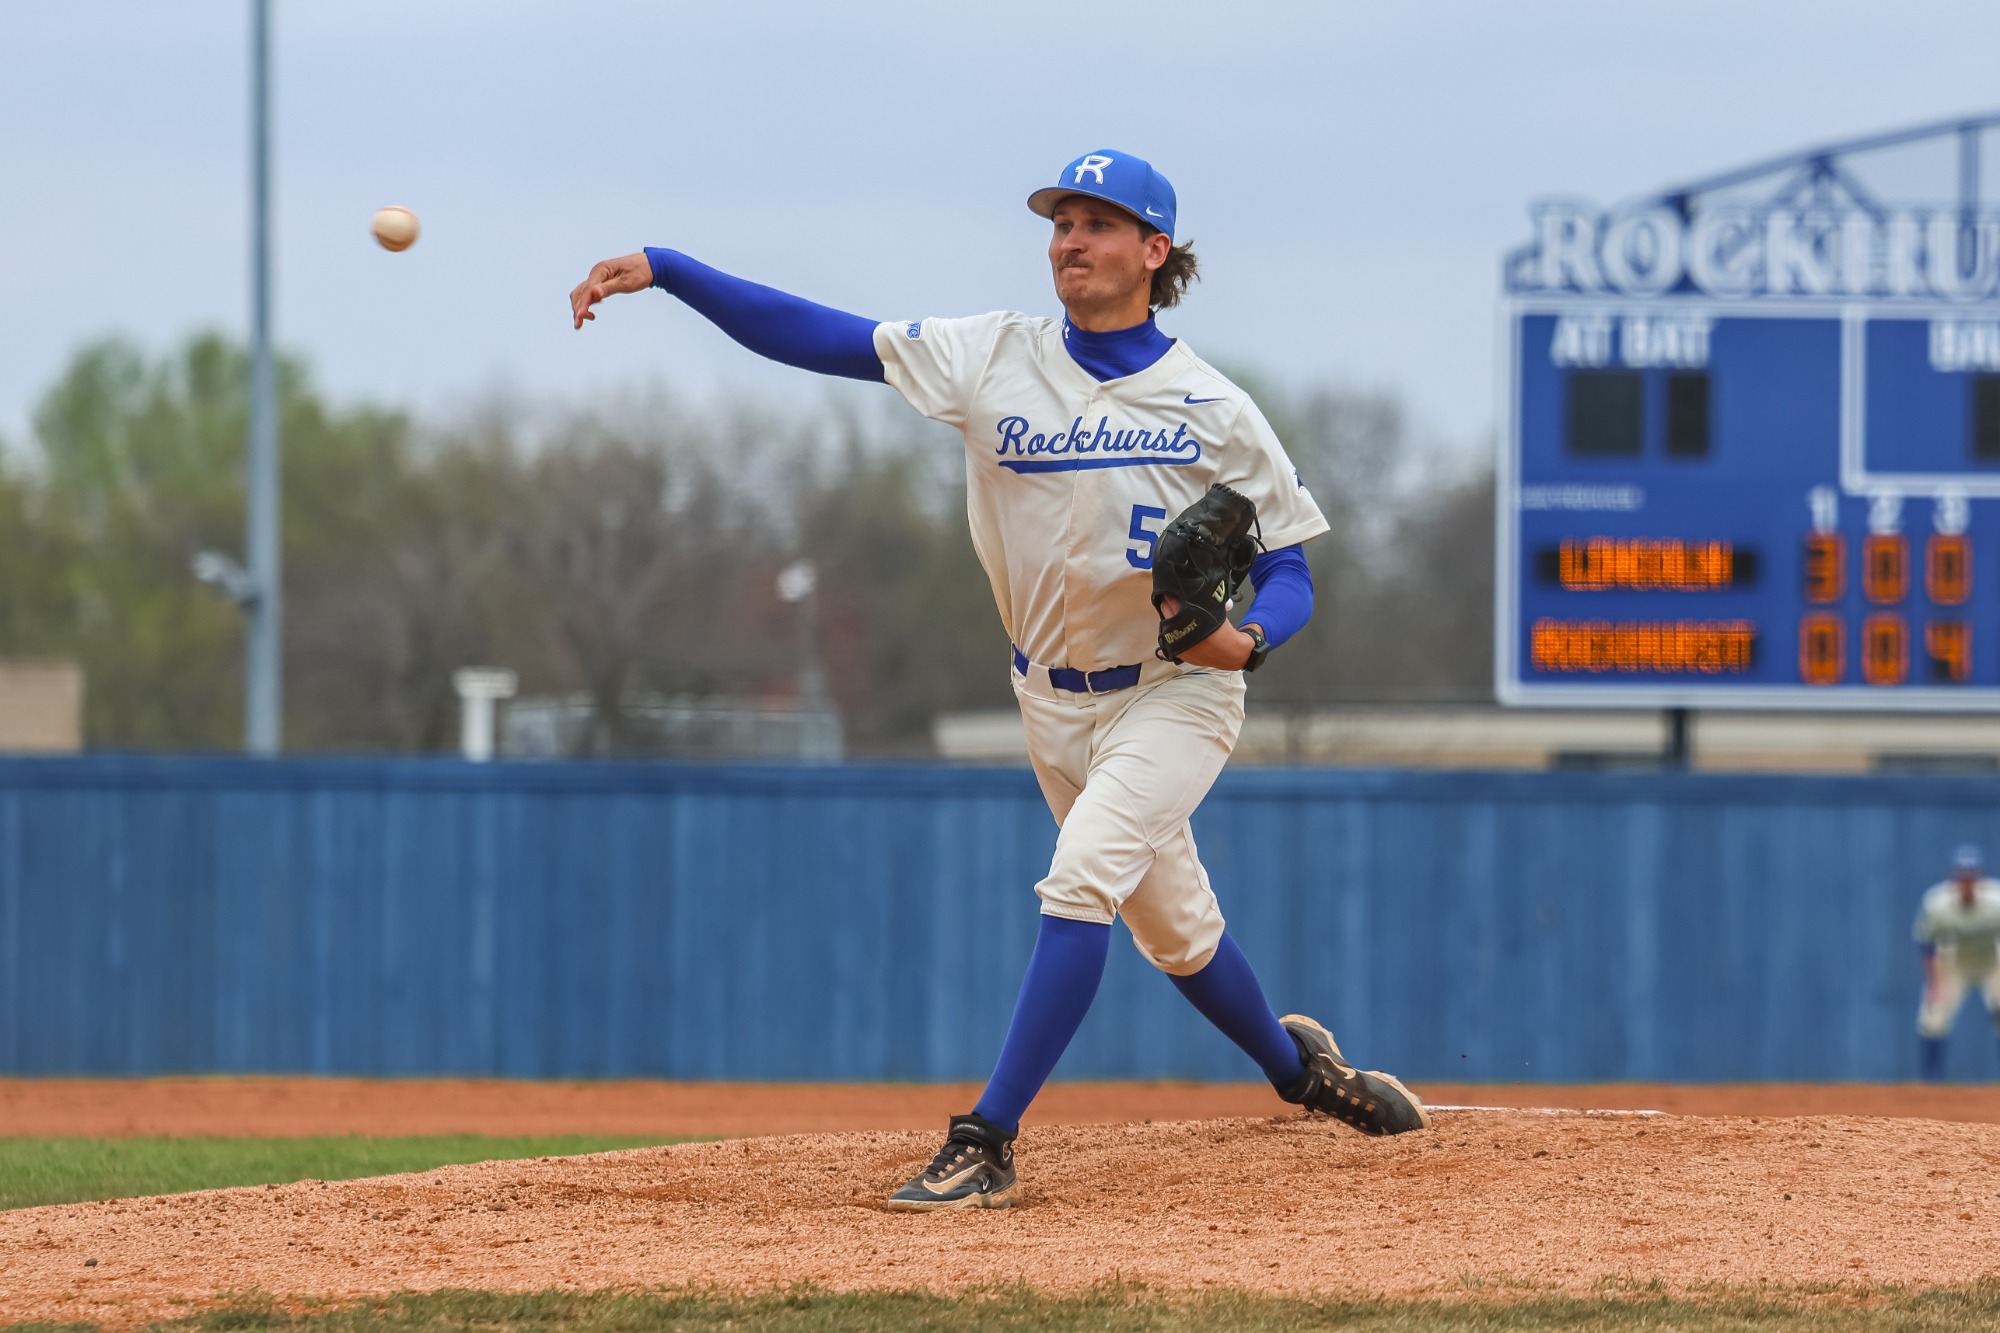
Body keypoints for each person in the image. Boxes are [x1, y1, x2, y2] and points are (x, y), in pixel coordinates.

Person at [569, 148, 1430, 1211]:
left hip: (1172, 693)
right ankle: (1301, 1071)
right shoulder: (989, 357)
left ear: (1153, 253)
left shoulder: (1212, 407)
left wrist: (1246, 643)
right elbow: (820, 335)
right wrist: (669, 266)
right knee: (1176, 931)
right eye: (1059, 222)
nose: (1069, 240)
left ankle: (985, 1138)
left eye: (1097, 223)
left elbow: (1288, 568)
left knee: (1079, 884)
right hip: (1046, 698)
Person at [1914, 843, 2000, 1080]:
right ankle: (1930, 1082)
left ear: (1979, 876)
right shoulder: (1937, 902)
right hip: (1954, 962)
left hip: (1992, 960)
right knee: (1933, 1017)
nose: (1967, 881)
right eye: (1962, 875)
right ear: (1954, 877)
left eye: (1971, 875)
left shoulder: (1996, 900)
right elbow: (1927, 944)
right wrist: (1933, 983)